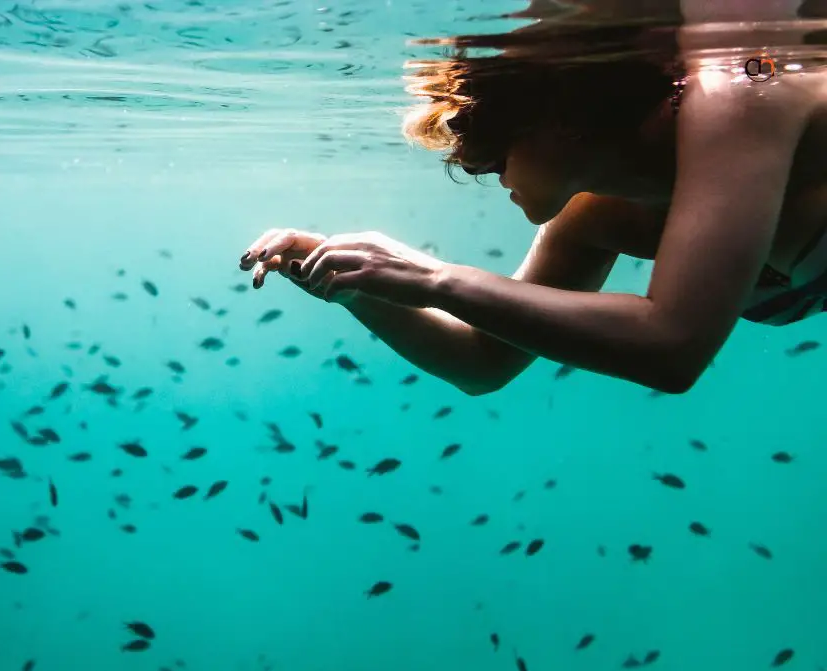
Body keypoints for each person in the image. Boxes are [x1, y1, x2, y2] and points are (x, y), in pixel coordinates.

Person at [238, 14, 827, 396]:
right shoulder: (594, 218)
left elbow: (672, 347)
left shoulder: (741, 93)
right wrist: (359, 281)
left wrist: (434, 277)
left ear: (558, 117)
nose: (471, 166)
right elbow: (482, 361)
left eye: (489, 144)